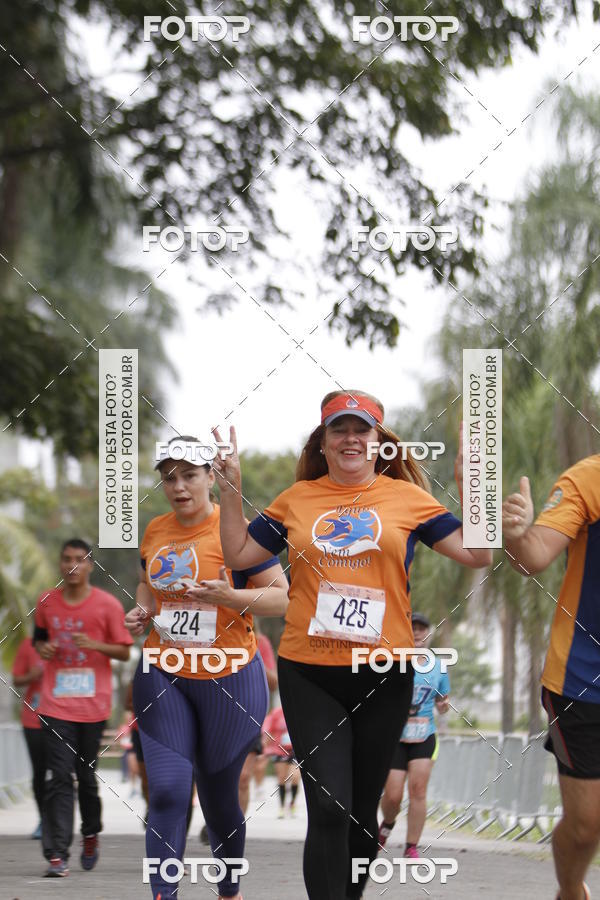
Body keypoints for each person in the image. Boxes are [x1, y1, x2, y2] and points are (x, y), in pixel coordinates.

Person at [214, 390, 492, 900]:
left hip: (385, 672)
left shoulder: (406, 500)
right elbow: (237, 551)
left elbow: (477, 552)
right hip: (310, 671)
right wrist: (231, 491)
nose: (349, 439)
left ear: (379, 443)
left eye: (360, 430)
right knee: (327, 806)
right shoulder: (297, 499)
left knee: (362, 814)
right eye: (338, 429)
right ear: (322, 441)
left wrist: (471, 484)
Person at [126, 436, 289, 900]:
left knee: (220, 805)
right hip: (163, 671)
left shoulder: (239, 533)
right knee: (169, 793)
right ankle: (164, 894)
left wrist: (231, 597)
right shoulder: (156, 529)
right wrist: (141, 610)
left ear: (211, 477)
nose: (179, 486)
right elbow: (145, 582)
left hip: (231, 677)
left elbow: (285, 598)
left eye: (190, 475)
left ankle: (229, 886)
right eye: (169, 477)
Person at [503, 457, 600, 900]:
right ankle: (569, 891)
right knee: (586, 826)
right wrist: (516, 535)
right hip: (582, 680)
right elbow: (534, 556)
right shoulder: (589, 477)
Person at [33, 538, 133, 878]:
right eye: (66, 559)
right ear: (60, 563)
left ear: (90, 565)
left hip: (92, 705)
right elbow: (39, 636)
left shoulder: (107, 605)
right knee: (59, 776)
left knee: (86, 778)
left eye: (79, 559)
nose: (71, 566)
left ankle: (90, 832)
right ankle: (57, 854)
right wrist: (43, 648)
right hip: (54, 703)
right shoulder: (47, 600)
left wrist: (95, 644)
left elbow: (123, 651)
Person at [378, 611, 450, 855]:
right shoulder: (392, 661)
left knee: (418, 790)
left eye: (422, 628)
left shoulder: (439, 667)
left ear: (428, 634)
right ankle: (387, 824)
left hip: (424, 735)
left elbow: (443, 701)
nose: (418, 632)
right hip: (395, 737)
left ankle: (411, 846)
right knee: (393, 796)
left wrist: (443, 706)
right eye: (413, 628)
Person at [238, 624, 278, 816]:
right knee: (215, 778)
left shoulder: (260, 642)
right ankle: (217, 821)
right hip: (217, 714)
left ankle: (231, 831)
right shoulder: (212, 635)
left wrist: (251, 653)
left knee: (243, 778)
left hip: (249, 716)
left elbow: (273, 683)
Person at [12, 634, 46, 839]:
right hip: (34, 718)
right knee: (40, 772)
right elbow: (16, 679)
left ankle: (59, 820)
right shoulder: (28, 644)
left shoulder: (72, 640)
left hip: (66, 717)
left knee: (61, 773)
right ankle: (44, 819)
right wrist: (32, 675)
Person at [262, 704, 301, 817]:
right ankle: (282, 807)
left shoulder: (299, 712)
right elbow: (269, 732)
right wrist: (263, 750)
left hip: (295, 750)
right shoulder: (276, 713)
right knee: (282, 778)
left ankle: (292, 803)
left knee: (295, 777)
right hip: (279, 750)